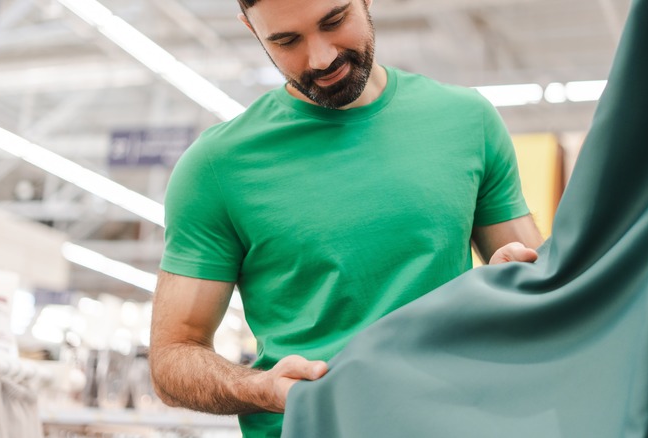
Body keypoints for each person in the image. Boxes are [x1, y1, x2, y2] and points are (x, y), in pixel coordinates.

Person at [148, 0, 544, 436]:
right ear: (251, 29)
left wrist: (516, 281)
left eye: (334, 21)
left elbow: (541, 287)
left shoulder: (468, 120)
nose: (321, 58)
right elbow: (172, 357)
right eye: (286, 41)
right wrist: (260, 388)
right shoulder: (216, 168)